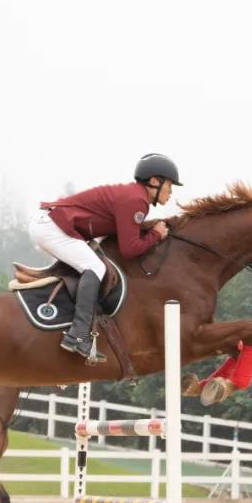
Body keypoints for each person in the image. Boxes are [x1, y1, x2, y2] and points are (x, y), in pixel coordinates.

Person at [29, 153, 179, 362]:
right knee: (96, 268)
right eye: (170, 185)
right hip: (52, 227)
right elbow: (129, 249)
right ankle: (78, 335)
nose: (170, 192)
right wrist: (156, 235)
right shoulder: (137, 200)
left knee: (92, 266)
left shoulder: (133, 196)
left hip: (53, 225)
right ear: (154, 181)